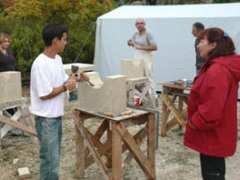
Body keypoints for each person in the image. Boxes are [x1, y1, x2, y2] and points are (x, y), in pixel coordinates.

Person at [184, 27, 240, 180]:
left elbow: (211, 110)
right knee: (213, 172)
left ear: (213, 45)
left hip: (212, 135)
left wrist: (194, 123)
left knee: (213, 175)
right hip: (214, 133)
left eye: (202, 41)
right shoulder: (218, 66)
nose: (198, 44)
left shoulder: (217, 70)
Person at [30, 23, 77, 180]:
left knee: (53, 159)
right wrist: (65, 86)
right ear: (55, 40)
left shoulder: (57, 59)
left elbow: (63, 80)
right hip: (46, 120)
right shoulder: (40, 64)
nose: (66, 42)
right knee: (50, 161)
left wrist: (76, 78)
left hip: (55, 116)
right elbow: (44, 94)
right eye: (64, 39)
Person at [127, 18, 157, 106]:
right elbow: (131, 42)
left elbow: (154, 47)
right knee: (137, 79)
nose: (139, 25)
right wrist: (129, 42)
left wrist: (140, 47)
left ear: (144, 24)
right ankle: (140, 100)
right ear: (135, 25)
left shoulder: (148, 34)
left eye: (141, 23)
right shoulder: (135, 34)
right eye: (137, 23)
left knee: (148, 78)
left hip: (146, 59)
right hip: (137, 59)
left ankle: (153, 99)